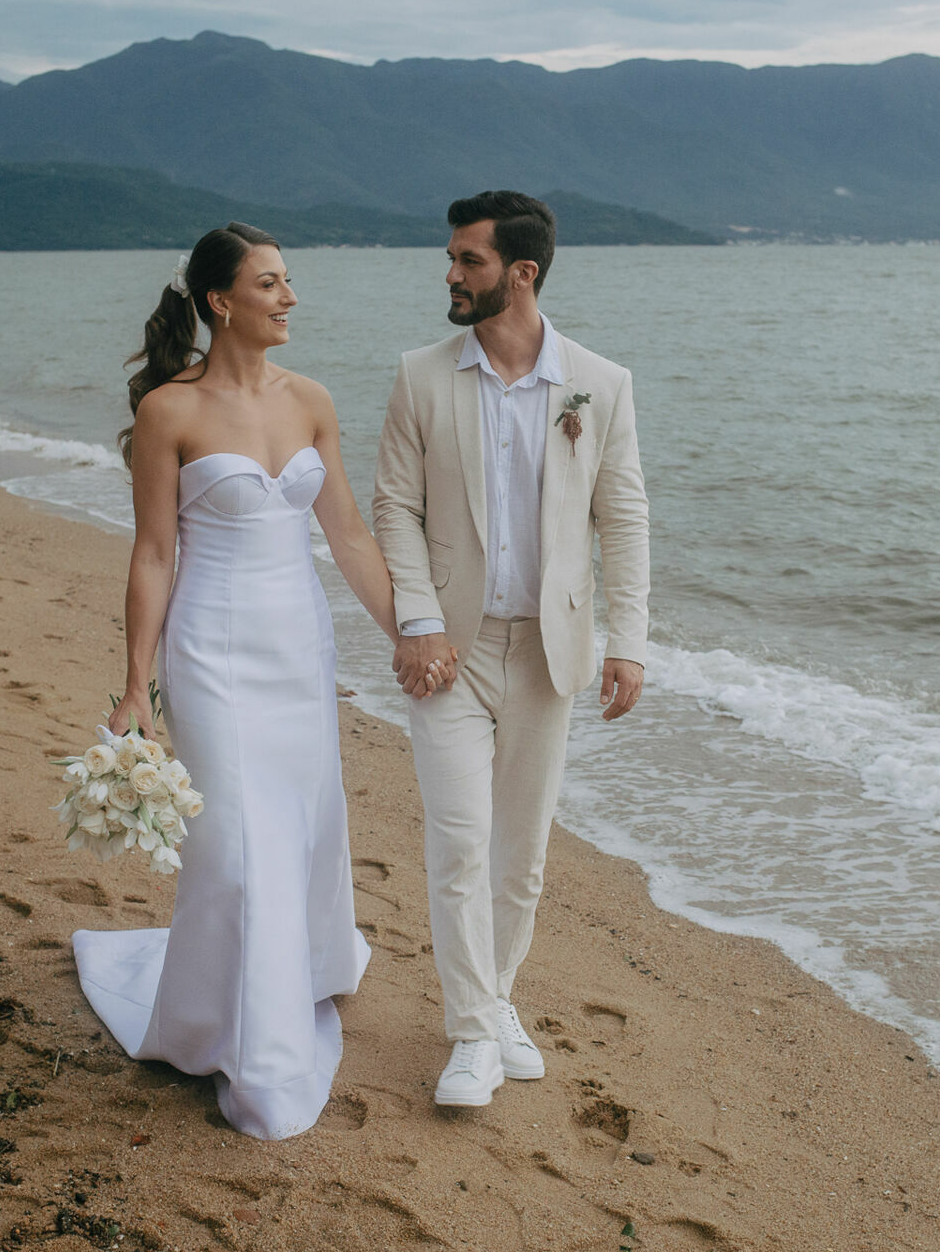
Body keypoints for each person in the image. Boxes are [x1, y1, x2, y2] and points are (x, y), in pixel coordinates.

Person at [72, 223, 446, 1139]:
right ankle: (234, 1034)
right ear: (218, 302)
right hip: (213, 650)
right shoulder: (171, 411)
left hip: (298, 645)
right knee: (236, 846)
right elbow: (155, 555)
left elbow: (349, 536)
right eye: (270, 284)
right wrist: (134, 684)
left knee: (301, 825)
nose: (288, 299)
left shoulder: (311, 400)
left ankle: (292, 977)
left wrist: (417, 632)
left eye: (288, 283)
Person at [372, 191, 651, 1107]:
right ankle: (469, 1036)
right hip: (448, 649)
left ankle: (494, 1002)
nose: (450, 275)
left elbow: (624, 515)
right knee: (459, 844)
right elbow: (393, 510)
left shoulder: (599, 385)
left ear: (520, 273)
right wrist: (417, 622)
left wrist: (629, 640)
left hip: (549, 652)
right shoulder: (420, 376)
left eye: (468, 261)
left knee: (521, 856)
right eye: (451, 259)